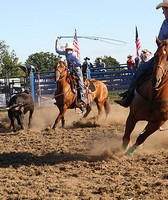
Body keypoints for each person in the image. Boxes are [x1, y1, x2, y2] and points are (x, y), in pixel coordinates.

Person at [115, 0, 168, 108]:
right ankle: (129, 96)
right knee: (142, 68)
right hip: (164, 54)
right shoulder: (165, 23)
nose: (163, 12)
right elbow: (160, 39)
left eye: (164, 9)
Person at [55, 36, 87, 111]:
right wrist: (56, 41)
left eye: (67, 48)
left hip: (77, 70)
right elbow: (57, 50)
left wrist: (73, 64)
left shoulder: (73, 54)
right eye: (65, 49)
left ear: (69, 49)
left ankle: (82, 100)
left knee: (80, 83)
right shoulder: (66, 54)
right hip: (71, 70)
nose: (65, 50)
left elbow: (80, 63)